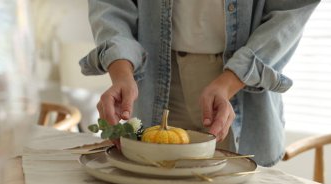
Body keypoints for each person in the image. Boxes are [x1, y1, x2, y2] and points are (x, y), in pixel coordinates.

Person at [79, 0, 320, 167]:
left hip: (242, 89)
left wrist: (230, 82)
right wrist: (121, 72)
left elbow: (290, 12)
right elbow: (110, 5)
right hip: (152, 82)